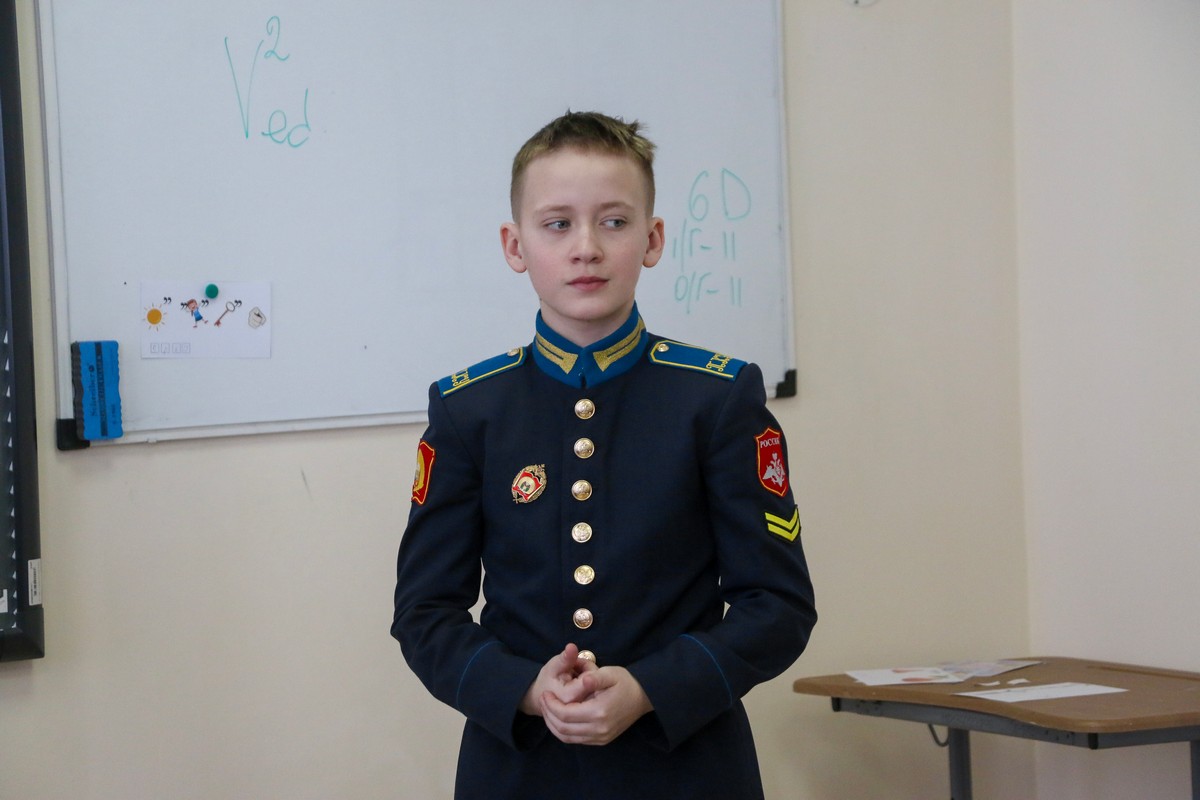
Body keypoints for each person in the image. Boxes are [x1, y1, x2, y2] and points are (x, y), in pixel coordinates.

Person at [391, 110, 816, 800]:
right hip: (520, 772)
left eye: (613, 222)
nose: (585, 248)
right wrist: (524, 689)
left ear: (653, 239)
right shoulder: (470, 411)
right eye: (557, 224)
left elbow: (778, 605)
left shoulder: (717, 399)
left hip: (687, 770)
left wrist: (651, 688)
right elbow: (424, 612)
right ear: (515, 245)